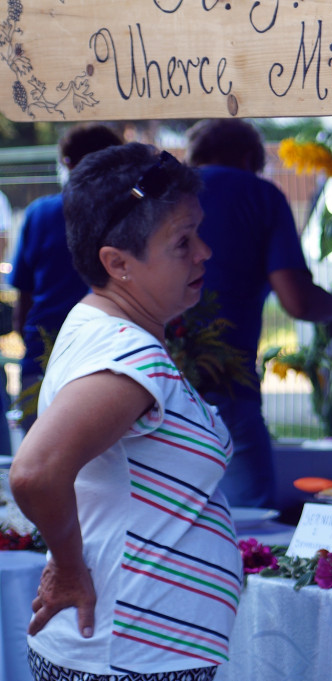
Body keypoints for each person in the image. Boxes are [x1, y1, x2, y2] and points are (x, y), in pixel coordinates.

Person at [8, 143, 241, 679]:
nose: (203, 252)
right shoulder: (126, 355)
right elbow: (36, 472)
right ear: (117, 263)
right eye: (183, 242)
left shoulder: (100, 327)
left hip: (124, 654)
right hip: (127, 659)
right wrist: (69, 568)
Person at [184, 119, 332, 508]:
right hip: (225, 385)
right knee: (248, 527)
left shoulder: (162, 192)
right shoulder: (259, 195)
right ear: (248, 158)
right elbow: (298, 302)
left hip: (146, 380)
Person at [9, 124, 123, 432]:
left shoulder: (40, 213)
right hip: (109, 358)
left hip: (44, 354)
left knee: (37, 460)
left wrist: (31, 340)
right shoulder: (128, 214)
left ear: (68, 163)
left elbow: (24, 296)